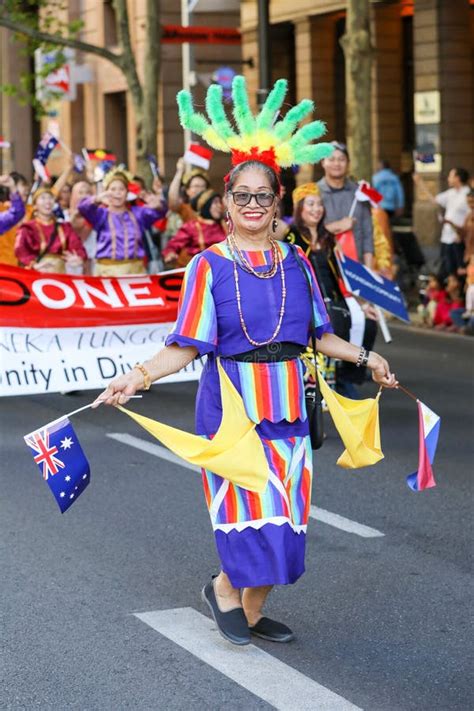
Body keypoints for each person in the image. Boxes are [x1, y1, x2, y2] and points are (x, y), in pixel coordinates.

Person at [93, 76, 397, 646]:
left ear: (276, 201)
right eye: (242, 196)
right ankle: (232, 591)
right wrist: (136, 376)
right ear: (227, 204)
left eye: (264, 196)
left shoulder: (299, 263)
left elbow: (320, 337)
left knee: (287, 523)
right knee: (247, 519)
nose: (253, 205)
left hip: (290, 404)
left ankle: (241, 602)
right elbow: (187, 343)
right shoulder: (207, 266)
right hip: (233, 405)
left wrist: (366, 357)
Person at [77, 168, 167, 276]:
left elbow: (161, 212)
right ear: (106, 192)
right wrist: (97, 198)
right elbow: (82, 208)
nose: (117, 193)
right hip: (106, 273)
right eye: (113, 189)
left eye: (121, 189)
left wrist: (159, 205)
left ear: (127, 193)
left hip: (134, 272)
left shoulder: (138, 214)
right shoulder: (101, 214)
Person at [318, 141, 374, 268]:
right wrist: (337, 226)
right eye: (331, 159)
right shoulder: (314, 193)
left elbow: (367, 234)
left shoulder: (359, 194)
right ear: (323, 163)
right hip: (325, 267)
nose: (336, 164)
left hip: (356, 266)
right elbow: (307, 233)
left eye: (341, 159)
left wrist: (369, 271)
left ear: (348, 163)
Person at [413, 167, 470, 279]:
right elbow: (434, 200)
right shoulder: (450, 193)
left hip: (458, 238)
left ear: (457, 178)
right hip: (446, 237)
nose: (448, 178)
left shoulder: (468, 194)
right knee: (447, 268)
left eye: (451, 176)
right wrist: (420, 183)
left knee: (459, 270)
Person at [15, 187, 87, 273]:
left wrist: (78, 258)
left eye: (50, 198)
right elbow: (20, 250)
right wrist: (34, 264)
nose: (47, 201)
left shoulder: (65, 228)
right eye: (43, 198)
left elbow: (77, 247)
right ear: (35, 205)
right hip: (35, 275)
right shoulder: (28, 228)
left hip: (59, 275)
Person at [162, 189, 225, 267]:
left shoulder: (226, 225)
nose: (219, 206)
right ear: (206, 205)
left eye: (220, 202)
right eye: (215, 202)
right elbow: (173, 245)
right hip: (202, 270)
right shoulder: (192, 226)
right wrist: (170, 254)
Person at [167, 158, 211, 223]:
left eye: (203, 186)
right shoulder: (186, 208)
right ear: (188, 190)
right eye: (196, 186)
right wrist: (180, 171)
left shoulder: (212, 207)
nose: (200, 189)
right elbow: (173, 201)